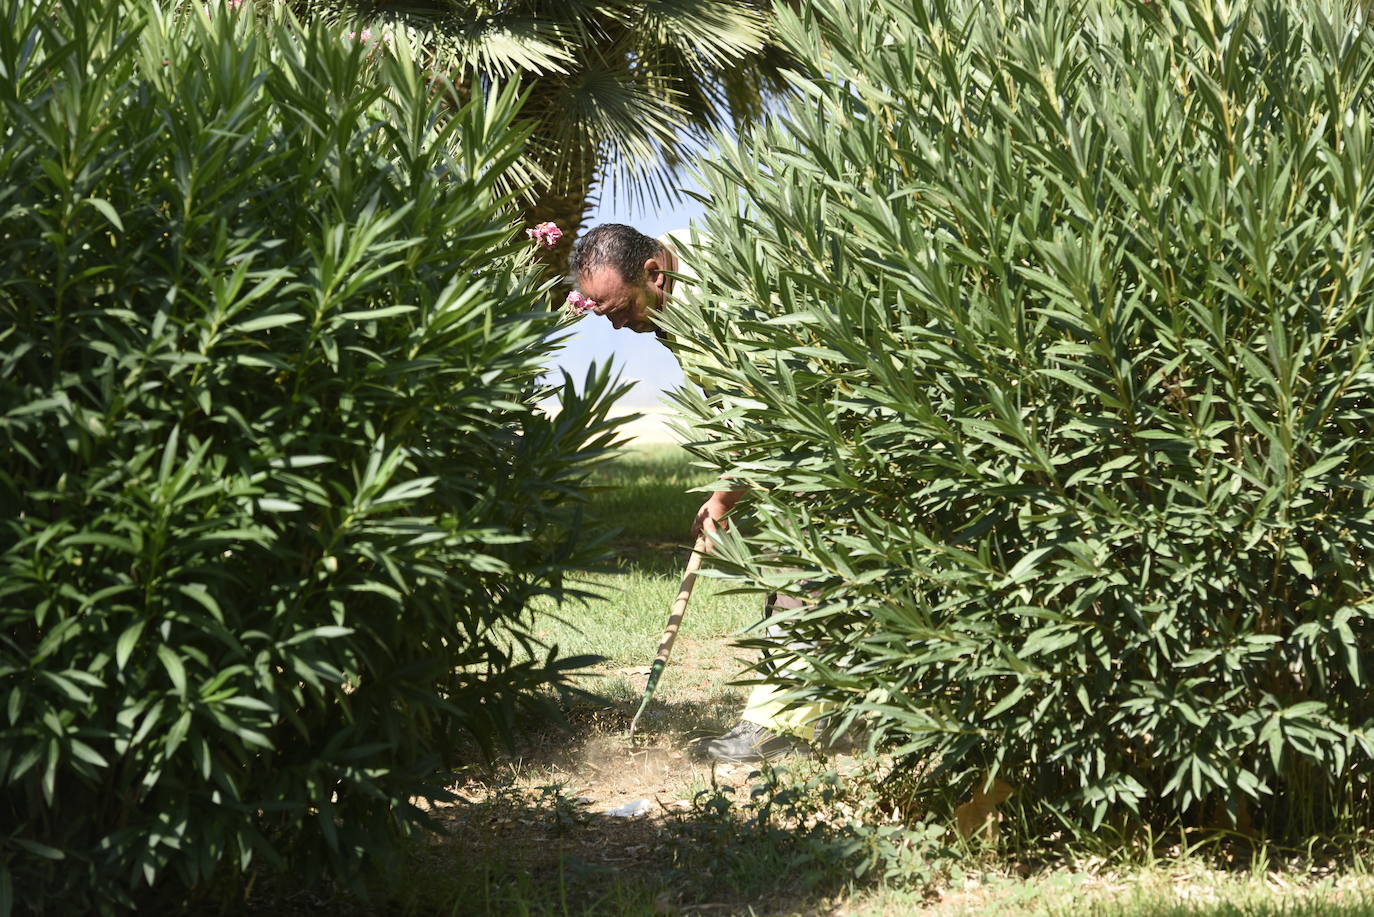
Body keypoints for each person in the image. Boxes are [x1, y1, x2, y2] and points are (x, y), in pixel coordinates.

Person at [569, 223, 831, 762]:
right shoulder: (671, 292)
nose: (618, 326)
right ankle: (824, 708)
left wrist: (723, 498)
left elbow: (771, 412)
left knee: (803, 564)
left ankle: (778, 726)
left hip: (836, 430)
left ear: (653, 273)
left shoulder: (725, 288)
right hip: (804, 438)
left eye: (619, 309)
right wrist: (724, 488)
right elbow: (736, 409)